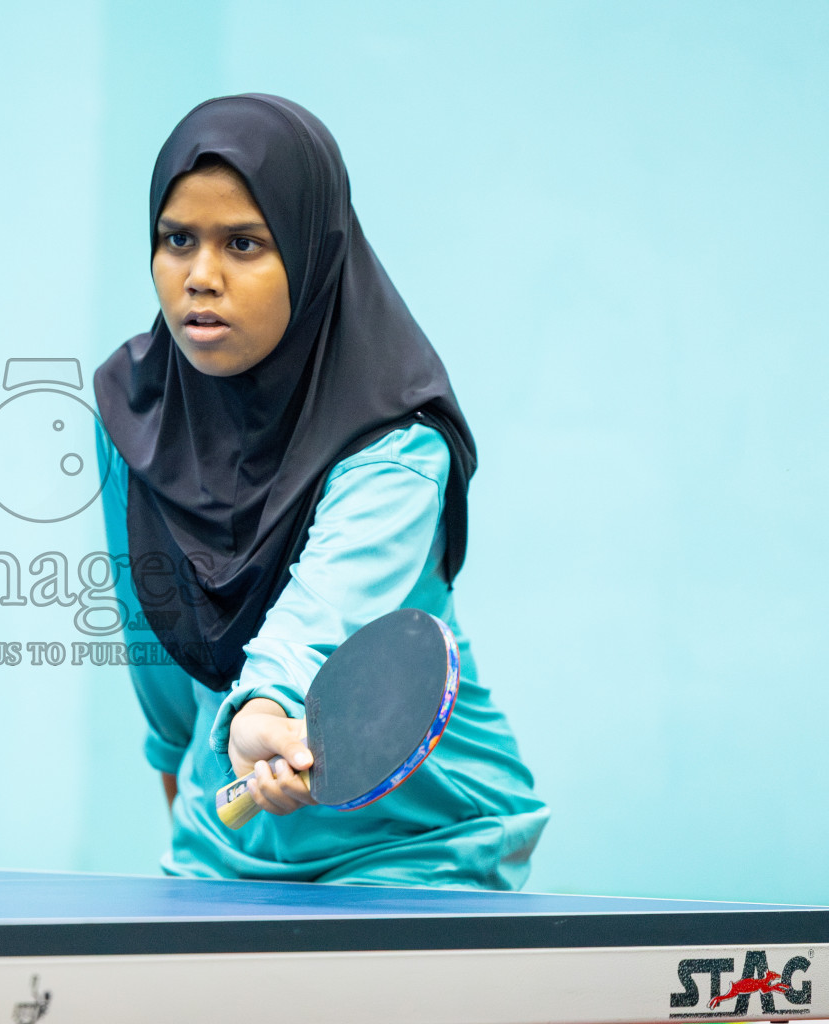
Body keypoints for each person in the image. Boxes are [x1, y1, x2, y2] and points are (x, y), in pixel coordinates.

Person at [92, 94, 548, 887]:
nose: (200, 277)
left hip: (418, 851)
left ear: (311, 252)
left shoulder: (398, 441)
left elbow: (328, 604)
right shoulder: (137, 411)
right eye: (177, 239)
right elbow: (154, 628)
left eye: (243, 243)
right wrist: (185, 791)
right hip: (221, 847)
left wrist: (262, 709)